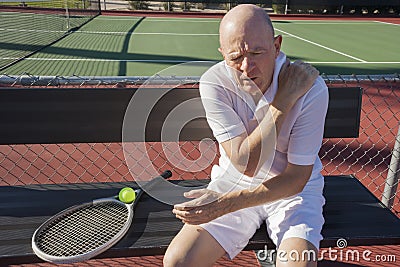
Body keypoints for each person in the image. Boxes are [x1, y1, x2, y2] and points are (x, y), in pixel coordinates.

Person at [164, 4, 328, 267]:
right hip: (234, 182)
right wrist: (284, 101)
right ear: (221, 54)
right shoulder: (214, 82)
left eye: (257, 52)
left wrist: (225, 205)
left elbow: (296, 178)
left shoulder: (310, 88)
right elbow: (245, 164)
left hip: (292, 192)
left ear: (277, 46)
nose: (247, 68)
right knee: (178, 261)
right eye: (235, 58)